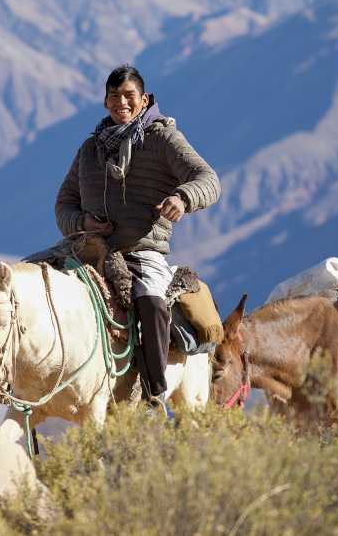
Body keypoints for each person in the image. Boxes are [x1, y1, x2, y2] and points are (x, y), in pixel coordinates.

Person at [55, 64, 220, 405]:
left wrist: (183, 197)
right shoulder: (90, 150)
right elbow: (64, 204)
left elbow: (208, 179)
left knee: (150, 301)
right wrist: (81, 220)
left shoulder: (163, 139)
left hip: (142, 250)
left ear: (143, 99)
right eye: (114, 96)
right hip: (88, 247)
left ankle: (154, 393)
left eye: (129, 96)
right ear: (105, 102)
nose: (122, 103)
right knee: (30, 284)